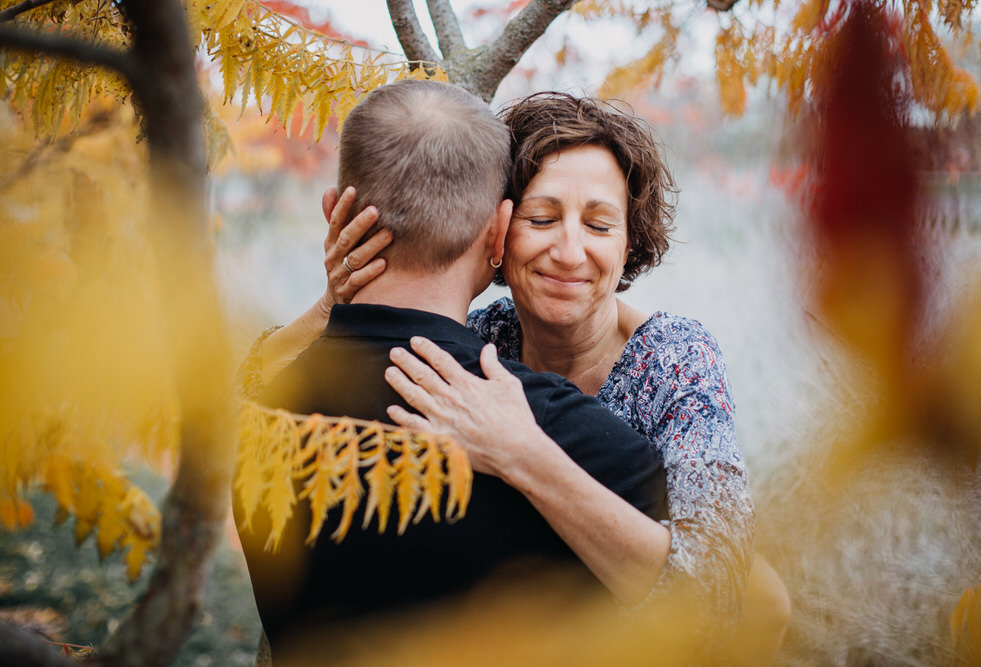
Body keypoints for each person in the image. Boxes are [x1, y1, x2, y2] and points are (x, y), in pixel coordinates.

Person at [243, 93, 790, 663]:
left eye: (600, 225)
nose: (569, 250)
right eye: (543, 218)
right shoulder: (483, 334)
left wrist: (525, 455)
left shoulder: (676, 361)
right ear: (498, 232)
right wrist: (337, 299)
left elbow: (749, 604)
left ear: (631, 242)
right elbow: (255, 379)